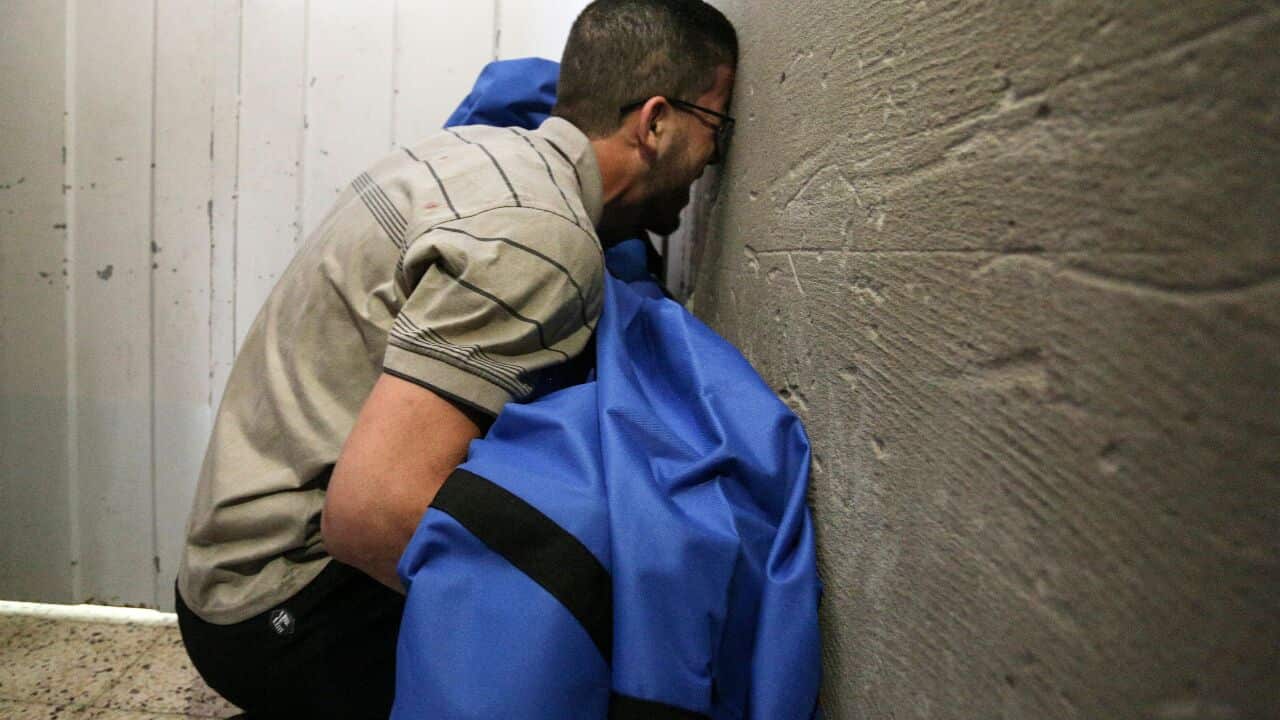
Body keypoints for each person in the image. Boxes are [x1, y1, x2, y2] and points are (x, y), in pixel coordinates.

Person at [174, 1, 738, 718]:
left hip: (222, 567)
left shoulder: (470, 155)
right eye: (715, 130)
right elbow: (372, 516)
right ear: (655, 122)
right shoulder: (541, 238)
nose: (714, 158)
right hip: (277, 608)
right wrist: (628, 647)